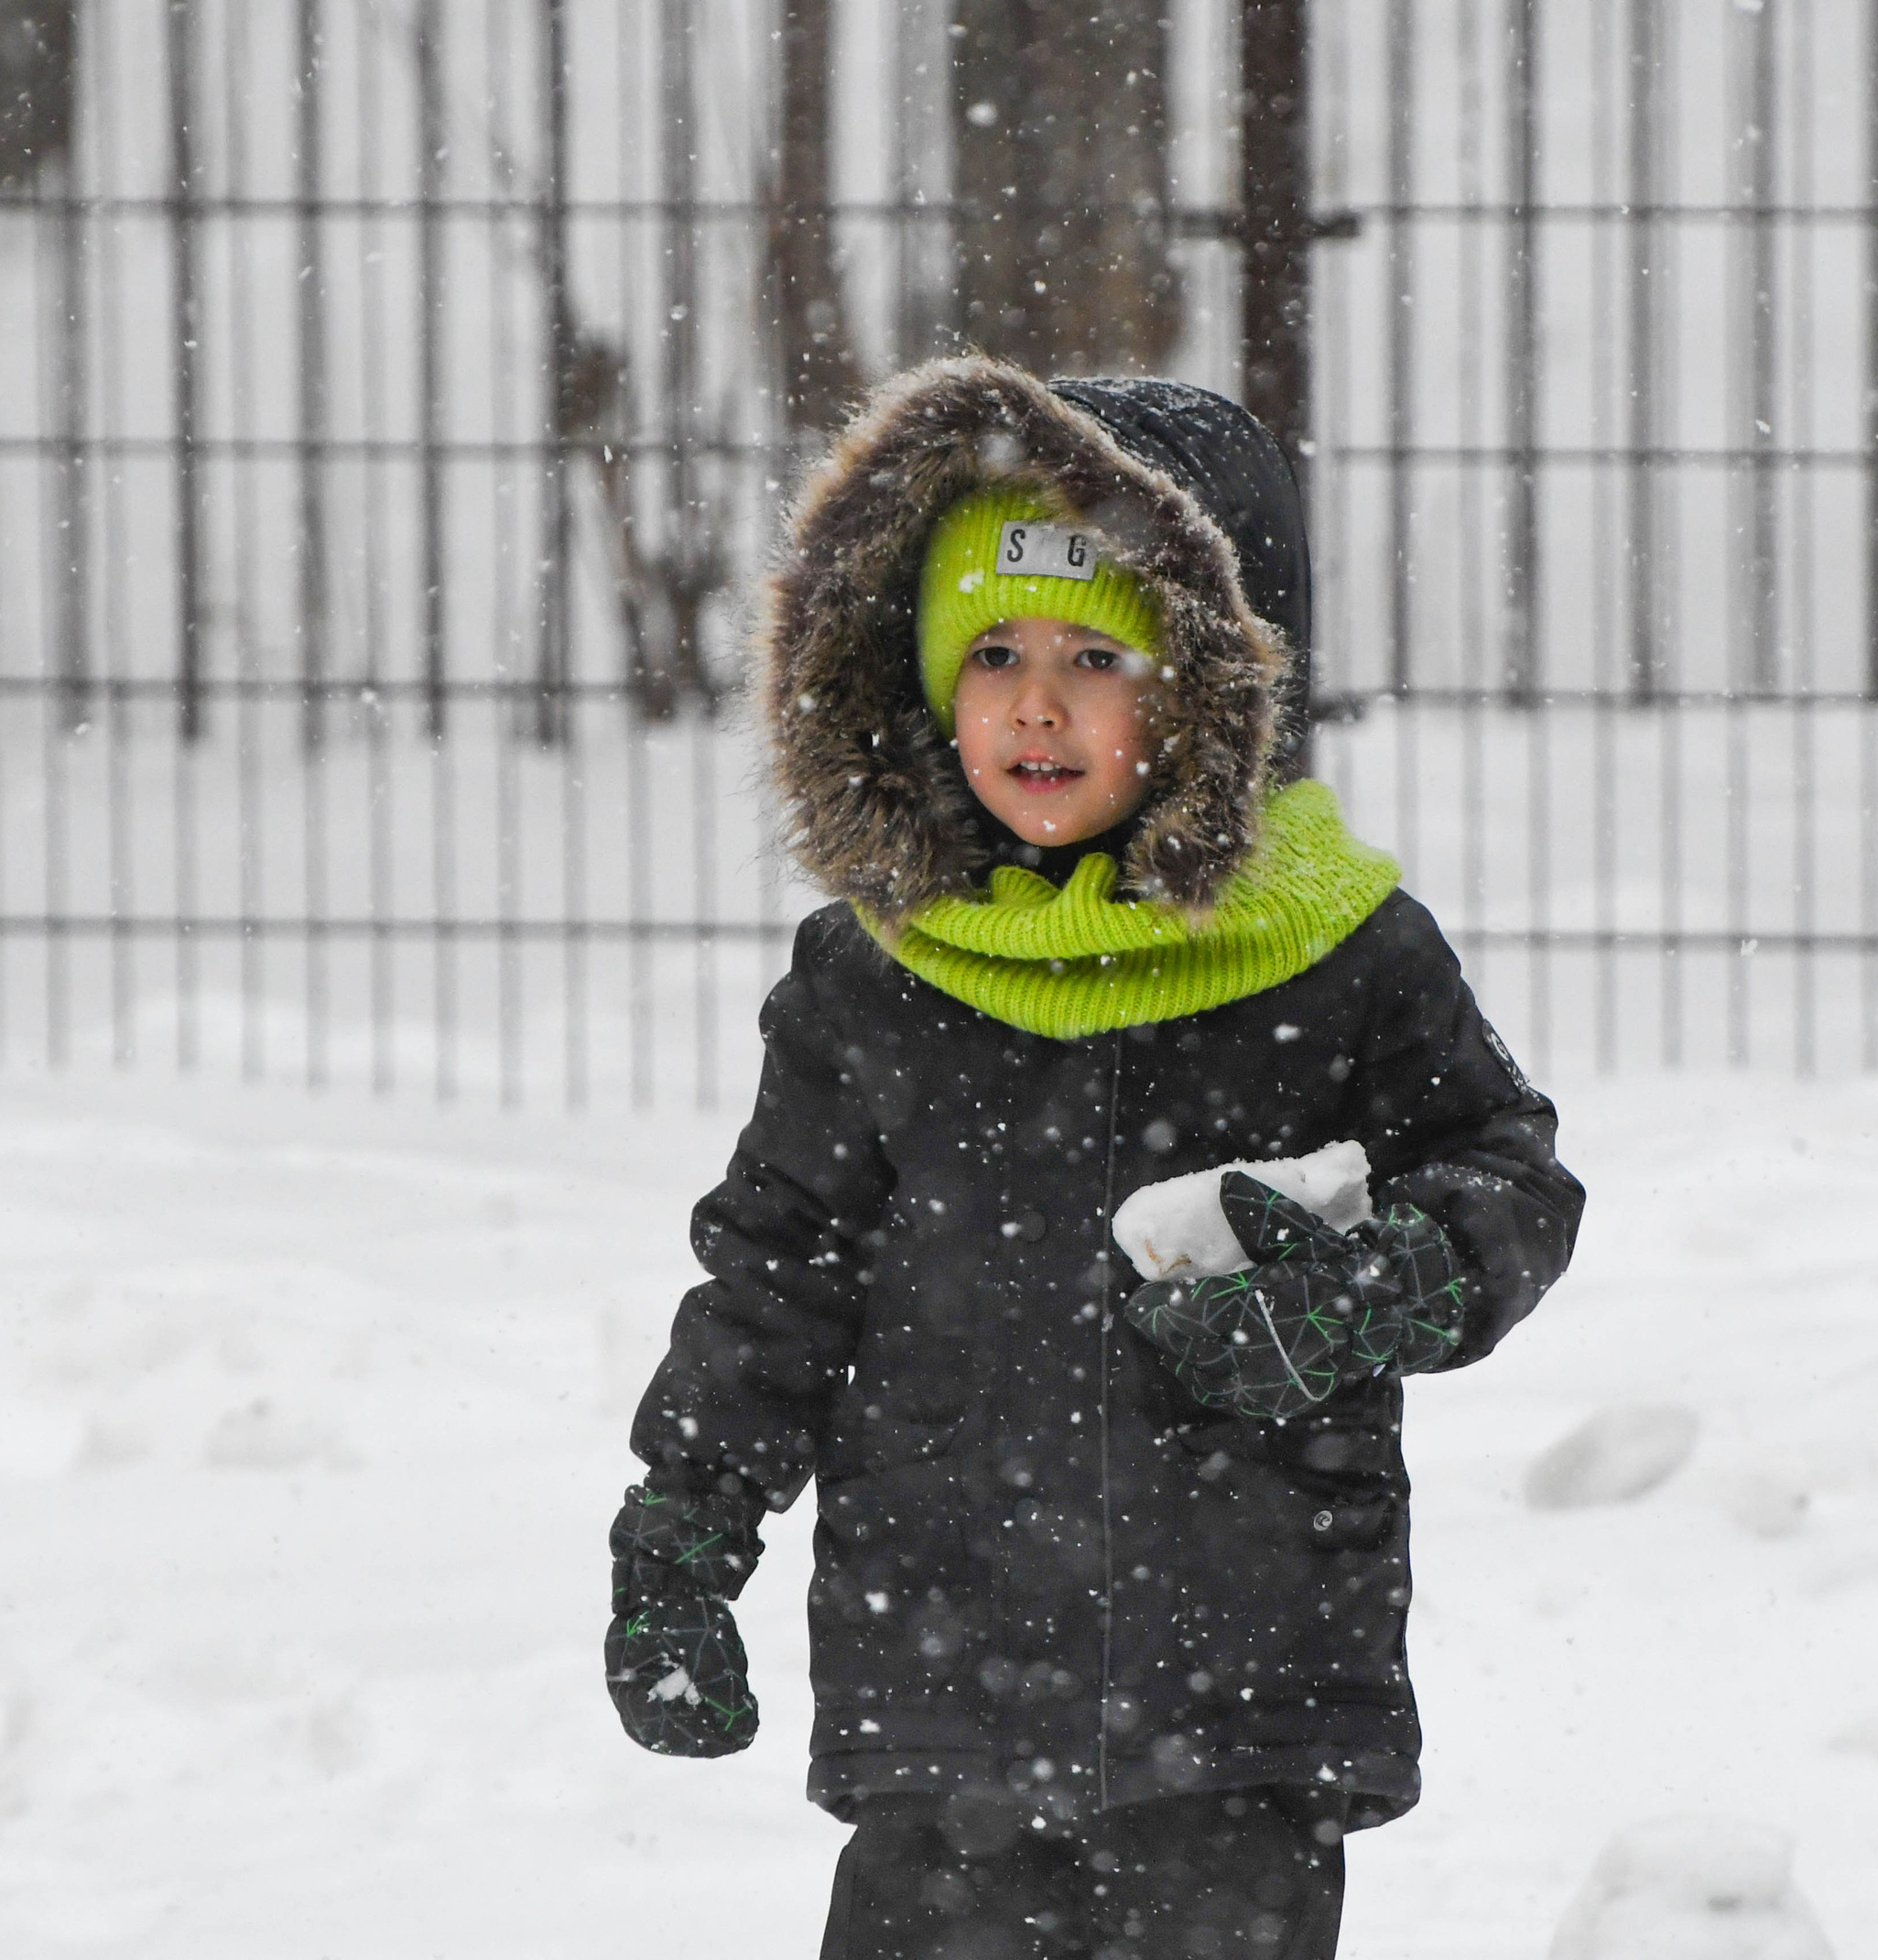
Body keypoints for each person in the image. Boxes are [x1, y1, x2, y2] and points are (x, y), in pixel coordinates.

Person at [606, 355, 1584, 1960]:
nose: (1035, 704)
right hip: (942, 1699)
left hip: (1246, 1701)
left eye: (1097, 654)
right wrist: (681, 1537)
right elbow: (776, 1274)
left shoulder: (1338, 955)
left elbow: (1508, 1179)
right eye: (989, 651)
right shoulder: (877, 979)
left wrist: (1379, 1284)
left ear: (1215, 685)